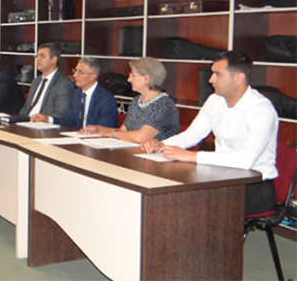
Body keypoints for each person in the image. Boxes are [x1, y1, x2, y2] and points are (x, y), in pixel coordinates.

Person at [140, 51, 278, 215]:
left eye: (217, 74)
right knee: (171, 192)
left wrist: (191, 156)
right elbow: (192, 135)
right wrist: (162, 144)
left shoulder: (261, 111)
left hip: (254, 186)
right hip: (220, 176)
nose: (211, 79)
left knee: (191, 202)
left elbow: (245, 160)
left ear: (238, 78)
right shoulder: (214, 100)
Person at [83, 57, 179, 143]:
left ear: (146, 78)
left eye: (133, 75)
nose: (129, 79)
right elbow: (123, 131)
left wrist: (110, 134)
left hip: (157, 154)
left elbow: (140, 137)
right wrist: (99, 129)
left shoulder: (164, 105)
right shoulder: (136, 101)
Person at [30, 56, 117, 129]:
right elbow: (69, 121)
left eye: (80, 72)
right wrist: (47, 119)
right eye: (75, 71)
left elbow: (104, 129)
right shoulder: (78, 93)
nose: (75, 75)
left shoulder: (106, 99)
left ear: (92, 76)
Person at [19, 43, 75, 118]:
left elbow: (61, 114)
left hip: (43, 123)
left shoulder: (63, 83)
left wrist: (45, 119)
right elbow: (26, 107)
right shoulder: (36, 81)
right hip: (26, 121)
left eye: (42, 56)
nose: (37, 59)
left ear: (53, 59)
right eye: (37, 56)